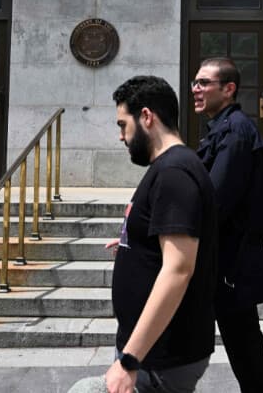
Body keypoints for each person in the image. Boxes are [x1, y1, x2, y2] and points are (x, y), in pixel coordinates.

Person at [72, 75, 217, 393]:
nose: (121, 137)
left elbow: (178, 270)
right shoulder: (170, 168)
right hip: (151, 352)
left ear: (147, 117)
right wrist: (132, 242)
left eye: (123, 125)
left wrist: (129, 361)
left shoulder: (175, 174)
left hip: (159, 356)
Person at [191, 58, 263, 393]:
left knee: (245, 348)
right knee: (246, 348)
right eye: (195, 83)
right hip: (227, 261)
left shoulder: (235, 131)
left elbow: (215, 201)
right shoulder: (223, 128)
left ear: (228, 89)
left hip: (231, 263)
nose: (196, 89)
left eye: (204, 83)